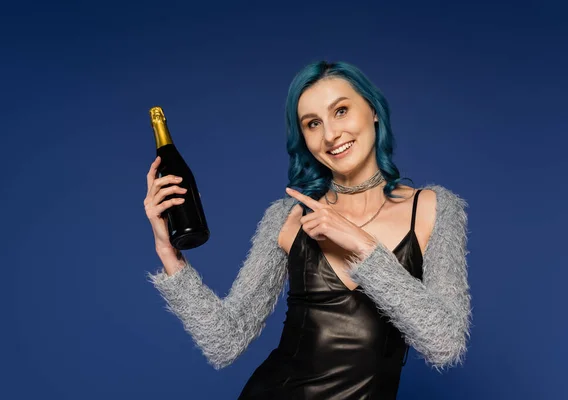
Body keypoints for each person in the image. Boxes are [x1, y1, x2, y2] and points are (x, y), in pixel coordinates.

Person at [144, 61, 472, 399]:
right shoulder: (289, 216)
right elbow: (226, 341)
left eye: (341, 111)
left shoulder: (433, 208)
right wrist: (168, 253)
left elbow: (444, 343)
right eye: (313, 123)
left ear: (373, 111)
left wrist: (363, 247)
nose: (330, 134)